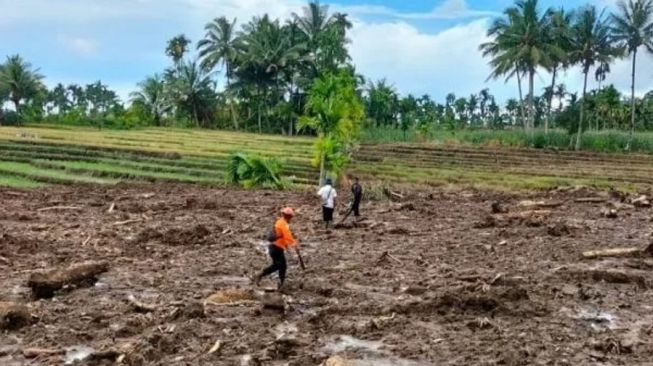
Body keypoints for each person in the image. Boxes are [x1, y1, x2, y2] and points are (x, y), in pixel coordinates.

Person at [255, 207, 299, 290]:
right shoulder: (283, 224)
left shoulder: (281, 222)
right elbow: (287, 236)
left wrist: (289, 246)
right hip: (276, 248)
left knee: (282, 266)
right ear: (288, 216)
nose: (290, 218)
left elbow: (284, 237)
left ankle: (281, 284)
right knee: (278, 265)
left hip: (277, 247)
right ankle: (261, 274)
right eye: (289, 216)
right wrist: (294, 243)